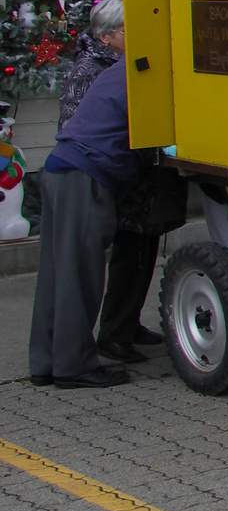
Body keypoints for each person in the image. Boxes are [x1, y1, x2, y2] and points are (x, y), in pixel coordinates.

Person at [57, 0, 187, 363]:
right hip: (117, 180)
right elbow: (79, 125)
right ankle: (112, 334)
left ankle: (127, 325)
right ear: (106, 36)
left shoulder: (126, 62)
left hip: (142, 181)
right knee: (127, 257)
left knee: (143, 255)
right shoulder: (89, 70)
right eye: (129, 31)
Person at [29, 60, 141, 388]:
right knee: (80, 275)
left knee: (55, 273)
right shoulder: (148, 73)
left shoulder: (120, 68)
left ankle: (46, 362)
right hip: (85, 176)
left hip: (60, 166)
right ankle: (74, 366)